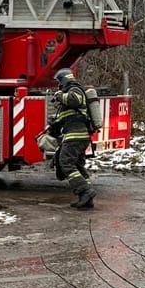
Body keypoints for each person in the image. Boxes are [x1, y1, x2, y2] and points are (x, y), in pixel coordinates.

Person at [47, 67, 96, 209]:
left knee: (66, 163)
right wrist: (55, 126)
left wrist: (59, 95)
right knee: (78, 165)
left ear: (64, 80)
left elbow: (75, 100)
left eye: (59, 82)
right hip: (77, 135)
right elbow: (68, 116)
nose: (58, 85)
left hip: (76, 135)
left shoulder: (74, 89)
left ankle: (85, 191)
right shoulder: (69, 91)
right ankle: (86, 198)